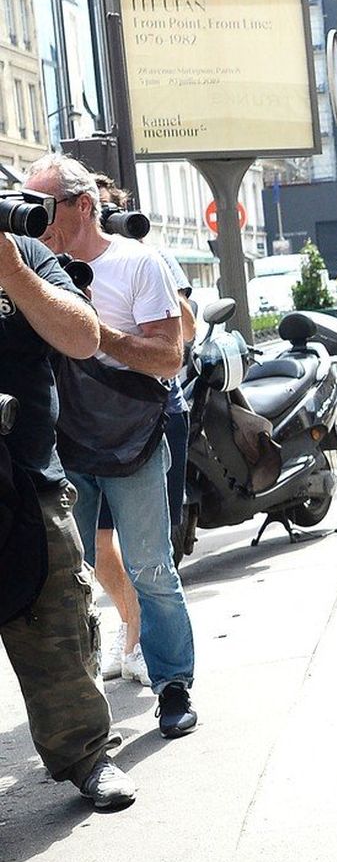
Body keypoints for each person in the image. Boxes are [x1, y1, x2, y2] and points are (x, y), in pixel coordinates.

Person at [29, 153, 199, 739]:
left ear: (83, 206)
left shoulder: (136, 262)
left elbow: (169, 356)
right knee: (68, 575)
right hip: (63, 442)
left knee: (151, 566)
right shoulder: (31, 266)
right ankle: (83, 712)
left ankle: (173, 685)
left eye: (43, 207)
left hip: (133, 437)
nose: (34, 219)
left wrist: (90, 333)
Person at [0, 202, 136, 809]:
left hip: (31, 484)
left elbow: (83, 338)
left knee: (59, 628)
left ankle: (87, 757)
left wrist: (11, 271)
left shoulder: (25, 255)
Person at [88, 176, 196, 686]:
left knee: (151, 554)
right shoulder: (56, 260)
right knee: (95, 544)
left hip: (151, 414)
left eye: (109, 211)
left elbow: (184, 333)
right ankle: (130, 622)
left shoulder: (144, 256)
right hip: (86, 422)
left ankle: (145, 648)